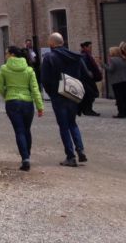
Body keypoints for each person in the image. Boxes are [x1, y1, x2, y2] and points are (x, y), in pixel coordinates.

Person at [41, 32, 87, 167]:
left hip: (58, 95)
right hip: (72, 93)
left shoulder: (49, 57)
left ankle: (70, 156)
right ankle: (80, 149)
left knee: (64, 126)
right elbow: (82, 75)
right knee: (73, 123)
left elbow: (44, 79)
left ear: (52, 44)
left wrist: (52, 93)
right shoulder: (75, 57)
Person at [0, 46, 43, 171]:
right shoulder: (29, 70)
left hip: (12, 102)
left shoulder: (4, 68)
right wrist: (40, 106)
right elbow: (35, 89)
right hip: (28, 103)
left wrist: (7, 95)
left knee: (19, 130)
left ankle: (25, 158)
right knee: (27, 130)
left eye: (6, 53)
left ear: (11, 55)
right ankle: (27, 155)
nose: (5, 55)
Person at [77, 41, 102, 117]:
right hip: (86, 79)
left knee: (88, 94)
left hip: (88, 78)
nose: (91, 49)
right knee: (90, 94)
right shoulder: (84, 56)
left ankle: (83, 109)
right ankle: (87, 110)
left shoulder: (87, 55)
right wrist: (89, 73)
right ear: (85, 47)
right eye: (89, 47)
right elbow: (84, 67)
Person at [104, 44, 126, 118]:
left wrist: (102, 65)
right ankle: (125, 112)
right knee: (124, 97)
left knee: (119, 98)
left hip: (116, 81)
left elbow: (111, 70)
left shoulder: (112, 60)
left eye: (110, 51)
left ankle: (121, 113)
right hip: (124, 80)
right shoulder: (123, 59)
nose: (109, 53)